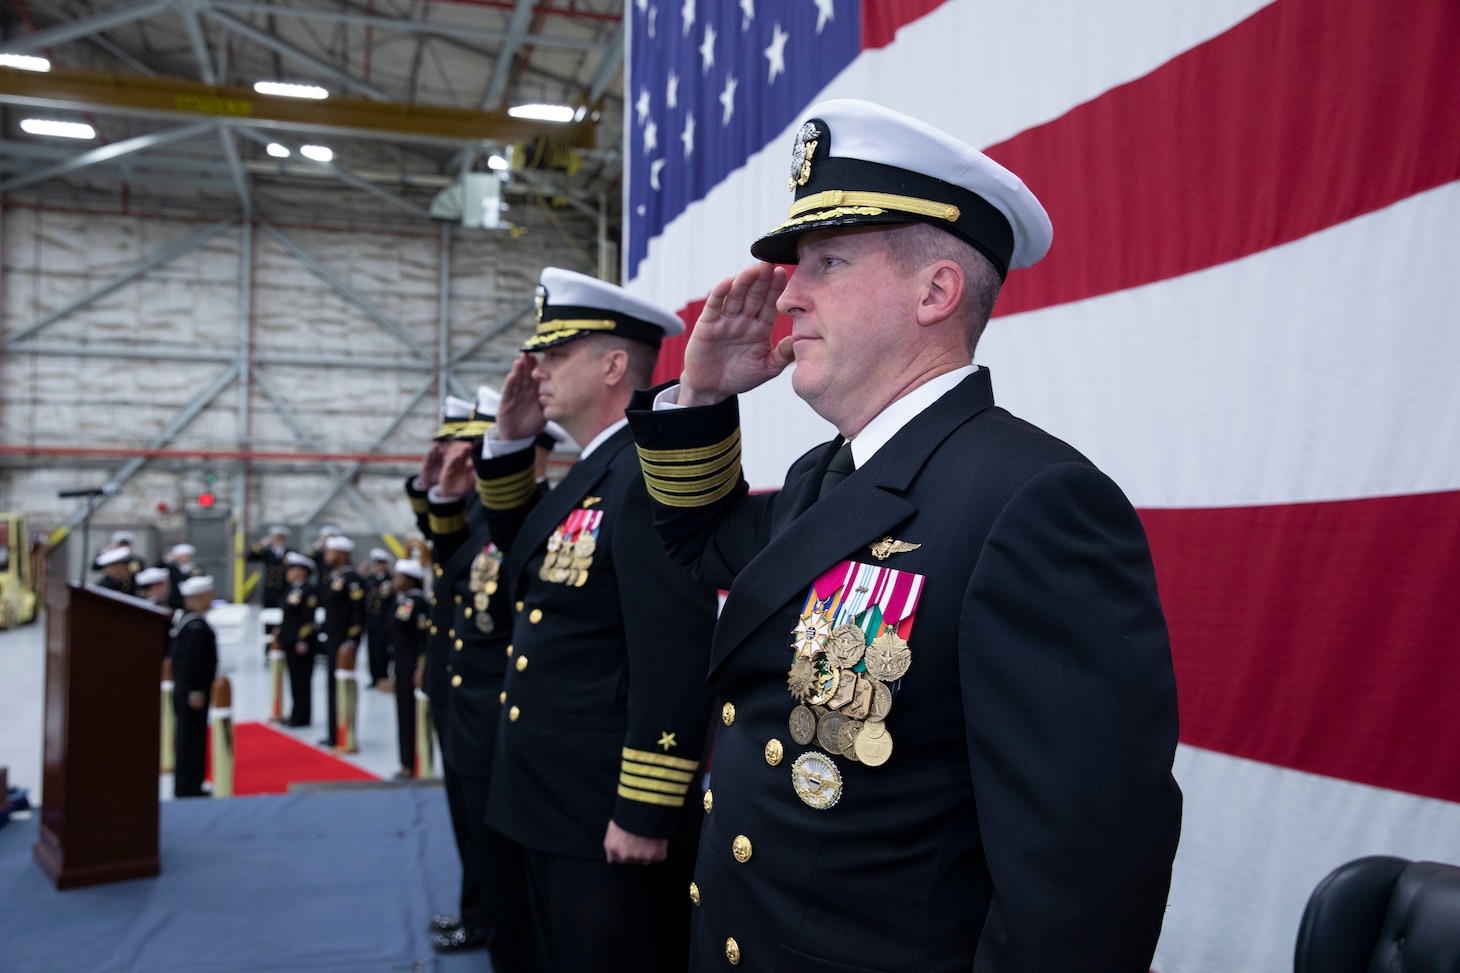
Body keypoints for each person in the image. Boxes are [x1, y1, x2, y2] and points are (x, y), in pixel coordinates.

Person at [623, 99, 1183, 972]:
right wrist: (700, 401)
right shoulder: (828, 474)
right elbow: (701, 541)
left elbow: (1082, 884)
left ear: (935, 292)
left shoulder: (1034, 503)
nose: (788, 293)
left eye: (828, 261)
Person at [473, 267, 720, 973]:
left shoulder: (644, 474)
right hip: (550, 796)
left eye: (556, 355)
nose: (536, 370)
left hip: (601, 808)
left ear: (615, 364)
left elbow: (674, 651)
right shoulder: (596, 470)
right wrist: (511, 444)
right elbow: (527, 555)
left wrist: (646, 807)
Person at [407, 387, 556, 966]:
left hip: (494, 699)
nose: (467, 458)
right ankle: (479, 913)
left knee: (494, 840)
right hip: (461, 685)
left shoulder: (523, 514)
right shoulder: (479, 512)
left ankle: (489, 920)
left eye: (477, 446)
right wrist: (434, 493)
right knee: (469, 823)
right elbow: (449, 564)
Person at [170, 575, 219, 798]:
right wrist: (196, 691)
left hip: (186, 691)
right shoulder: (196, 628)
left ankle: (191, 784)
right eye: (208, 595)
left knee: (191, 739)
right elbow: (192, 664)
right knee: (190, 740)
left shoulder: (187, 621)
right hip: (193, 693)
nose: (211, 599)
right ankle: (189, 788)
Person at [316, 535, 364, 748]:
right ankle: (333, 731)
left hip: (343, 641)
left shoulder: (351, 579)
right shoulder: (333, 576)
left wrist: (352, 641)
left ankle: (343, 731)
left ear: (342, 554)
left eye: (330, 552)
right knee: (331, 686)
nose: (326, 556)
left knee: (341, 685)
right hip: (332, 638)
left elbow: (358, 613)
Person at [385, 558, 430, 779]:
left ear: (410, 579)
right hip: (401, 663)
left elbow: (423, 639)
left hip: (412, 665)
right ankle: (406, 761)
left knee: (411, 714)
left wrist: (421, 666)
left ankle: (413, 762)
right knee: (403, 713)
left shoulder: (417, 602)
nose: (394, 581)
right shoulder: (400, 601)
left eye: (398, 577)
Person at [275, 552, 319, 728]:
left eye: (293, 569)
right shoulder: (291, 589)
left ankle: (302, 716)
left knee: (302, 680)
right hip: (289, 639)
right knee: (294, 679)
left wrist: (303, 639)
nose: (289, 572)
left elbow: (308, 618)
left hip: (301, 641)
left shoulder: (308, 591)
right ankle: (295, 713)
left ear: (302, 570)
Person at [360, 548, 394, 691]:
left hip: (384, 620)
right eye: (375, 563)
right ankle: (374, 677)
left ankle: (382, 676)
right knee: (372, 649)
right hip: (372, 620)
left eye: (380, 563)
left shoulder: (390, 580)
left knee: (382, 650)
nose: (377, 566)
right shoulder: (370, 580)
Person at [245, 525, 292, 610]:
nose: (278, 542)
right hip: (270, 590)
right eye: (276, 539)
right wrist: (261, 544)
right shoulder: (267, 553)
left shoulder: (290, 553)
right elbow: (250, 557)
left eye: (281, 539)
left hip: (284, 589)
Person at [161, 543, 203, 610]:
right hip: (174, 600)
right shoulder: (172, 568)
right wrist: (167, 559)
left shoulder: (195, 568)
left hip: (190, 600)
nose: (184, 558)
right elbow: (157, 568)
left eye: (186, 555)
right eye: (181, 555)